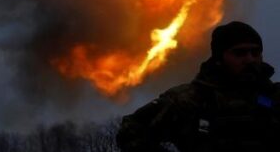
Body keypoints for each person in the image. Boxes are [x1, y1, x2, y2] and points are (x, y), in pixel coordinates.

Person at [117, 21, 280, 151]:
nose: (250, 59)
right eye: (240, 53)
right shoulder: (189, 99)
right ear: (219, 58)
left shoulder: (274, 97)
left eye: (255, 52)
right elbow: (131, 130)